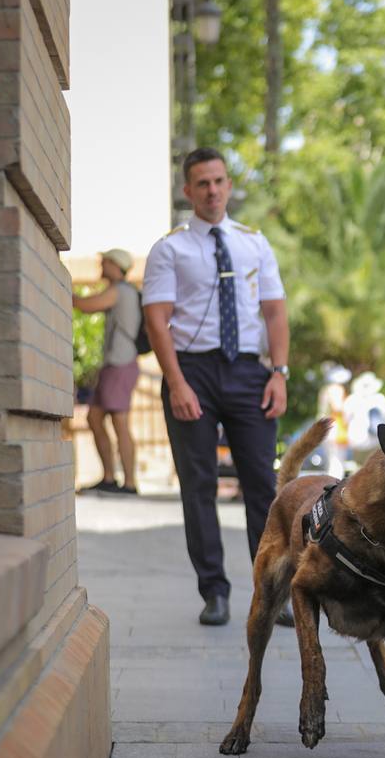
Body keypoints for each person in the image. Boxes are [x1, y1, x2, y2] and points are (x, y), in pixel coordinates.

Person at [142, 147, 291, 627]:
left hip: (249, 372)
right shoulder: (170, 249)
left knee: (262, 487)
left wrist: (279, 373)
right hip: (194, 373)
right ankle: (215, 591)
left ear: (229, 185)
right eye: (202, 183)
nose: (212, 190)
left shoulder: (254, 243)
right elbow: (158, 322)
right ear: (188, 191)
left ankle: (271, 593)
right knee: (199, 485)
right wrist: (177, 384)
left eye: (219, 181)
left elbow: (274, 311)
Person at [73, 248, 142, 495]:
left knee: (120, 422)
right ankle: (110, 477)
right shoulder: (124, 292)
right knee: (94, 417)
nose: (100, 265)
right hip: (115, 364)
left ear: (115, 265)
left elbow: (84, 305)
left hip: (120, 364)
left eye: (105, 262)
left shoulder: (121, 291)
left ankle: (130, 483)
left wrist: (59, 287)